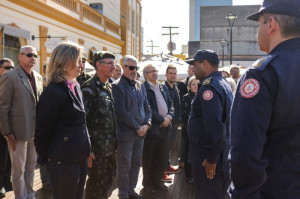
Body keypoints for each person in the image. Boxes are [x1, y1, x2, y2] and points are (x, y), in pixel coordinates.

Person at [230, 1, 300, 198]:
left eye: (259, 24)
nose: (258, 31)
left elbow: (245, 153)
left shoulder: (263, 73)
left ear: (271, 24)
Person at [35, 41, 92, 199]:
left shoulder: (76, 86)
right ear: (66, 62)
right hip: (63, 161)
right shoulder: (53, 91)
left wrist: (88, 149)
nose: (82, 64)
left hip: (79, 157)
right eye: (79, 60)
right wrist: (48, 159)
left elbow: (82, 122)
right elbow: (42, 131)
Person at [187, 50, 233, 199]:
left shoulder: (209, 88)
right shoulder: (222, 83)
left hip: (207, 159)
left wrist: (212, 159)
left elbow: (215, 127)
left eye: (195, 65)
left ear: (205, 64)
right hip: (219, 155)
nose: (193, 69)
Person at [0, 46, 43, 199]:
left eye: (35, 55)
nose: (33, 58)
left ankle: (30, 195)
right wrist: (7, 132)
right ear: (19, 56)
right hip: (17, 133)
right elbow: (3, 107)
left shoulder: (37, 77)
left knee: (31, 166)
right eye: (29, 55)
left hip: (34, 131)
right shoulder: (10, 76)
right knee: (18, 170)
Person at [112, 55, 152, 199]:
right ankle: (123, 194)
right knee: (124, 166)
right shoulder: (116, 86)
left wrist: (147, 125)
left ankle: (131, 190)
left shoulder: (140, 85)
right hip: (126, 135)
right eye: (131, 68)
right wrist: (138, 127)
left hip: (140, 134)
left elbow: (148, 108)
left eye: (136, 68)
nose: (134, 71)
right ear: (123, 67)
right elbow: (121, 112)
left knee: (136, 163)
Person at [81, 51, 117, 199]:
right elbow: (81, 121)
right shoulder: (89, 88)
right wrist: (87, 148)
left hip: (110, 147)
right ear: (98, 65)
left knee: (107, 181)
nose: (114, 67)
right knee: (95, 184)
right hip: (96, 149)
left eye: (114, 63)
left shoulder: (109, 86)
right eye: (110, 63)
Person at [142, 64, 174, 194]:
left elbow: (171, 104)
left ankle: (157, 181)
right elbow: (147, 108)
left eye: (155, 70)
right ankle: (148, 184)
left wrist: (169, 117)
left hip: (165, 127)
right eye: (151, 71)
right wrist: (162, 120)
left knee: (161, 157)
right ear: (145, 74)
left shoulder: (162, 87)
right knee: (149, 158)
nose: (154, 73)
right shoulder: (143, 88)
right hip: (152, 129)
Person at [162, 64, 181, 183]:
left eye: (174, 73)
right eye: (170, 73)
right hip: (167, 123)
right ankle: (161, 172)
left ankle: (167, 166)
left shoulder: (175, 87)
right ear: (166, 75)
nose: (173, 75)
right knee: (163, 148)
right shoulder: (163, 88)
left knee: (168, 147)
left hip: (174, 123)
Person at [180, 76, 199, 184]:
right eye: (193, 84)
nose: (196, 86)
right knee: (188, 153)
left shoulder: (203, 96)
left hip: (200, 132)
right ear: (189, 87)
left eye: (197, 84)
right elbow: (186, 115)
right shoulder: (186, 97)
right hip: (189, 130)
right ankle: (189, 175)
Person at [0, 58, 14, 198]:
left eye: (12, 67)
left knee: (8, 157)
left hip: (10, 126)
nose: (11, 70)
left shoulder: (11, 81)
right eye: (7, 67)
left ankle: (6, 182)